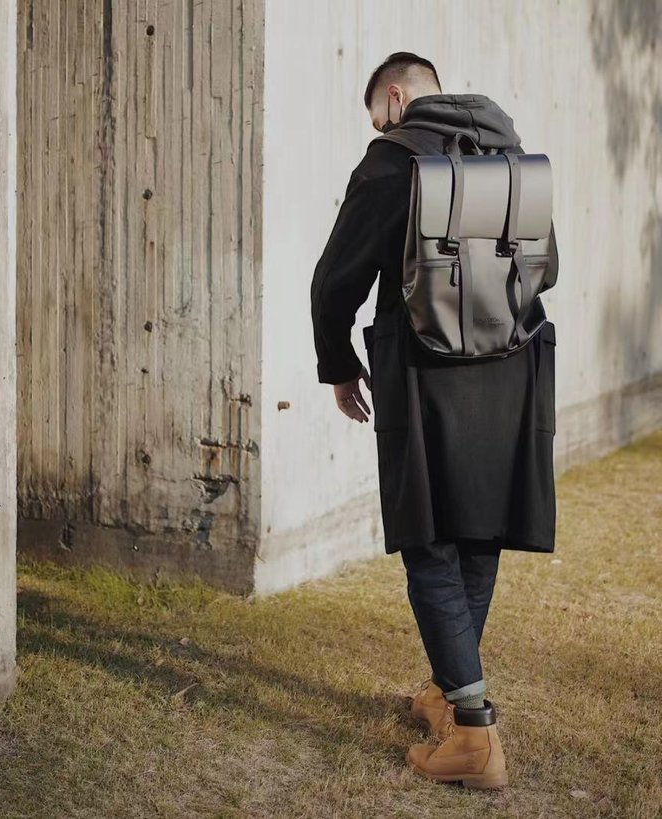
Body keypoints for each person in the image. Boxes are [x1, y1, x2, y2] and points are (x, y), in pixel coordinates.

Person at [310, 52, 557, 791]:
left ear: (395, 97)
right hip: (511, 369)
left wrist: (338, 365)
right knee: (478, 533)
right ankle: (450, 693)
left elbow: (335, 279)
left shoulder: (392, 160)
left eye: (377, 116)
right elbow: (547, 268)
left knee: (428, 539)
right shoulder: (512, 151)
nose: (379, 128)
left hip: (422, 370)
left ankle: (474, 734)